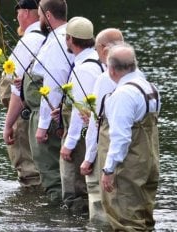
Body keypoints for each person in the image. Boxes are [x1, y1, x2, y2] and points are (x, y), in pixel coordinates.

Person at [99, 43, 160, 231]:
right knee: (145, 217)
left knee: (126, 221)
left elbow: (121, 138)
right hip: (148, 162)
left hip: (128, 167)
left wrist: (108, 170)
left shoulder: (123, 94)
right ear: (134, 65)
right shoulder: (150, 88)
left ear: (111, 69)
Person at [22, 0, 74, 204]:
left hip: (51, 116)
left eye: (41, 15)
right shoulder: (69, 37)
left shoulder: (56, 42)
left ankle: (57, 218)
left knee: (51, 173)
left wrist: (43, 126)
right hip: (62, 114)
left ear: (49, 16)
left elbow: (52, 86)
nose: (39, 19)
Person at [58, 16, 103, 213]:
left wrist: (69, 144)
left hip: (82, 138)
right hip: (93, 134)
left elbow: (79, 111)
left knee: (74, 191)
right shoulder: (98, 62)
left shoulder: (83, 69)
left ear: (70, 39)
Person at [80, 28, 124, 223]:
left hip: (107, 151)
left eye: (97, 50)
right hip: (129, 152)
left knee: (99, 205)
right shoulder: (138, 75)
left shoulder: (106, 78)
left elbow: (96, 124)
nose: (97, 56)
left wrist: (88, 158)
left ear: (105, 50)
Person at [2, 0, 44, 188]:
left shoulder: (29, 40)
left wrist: (8, 124)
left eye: (18, 12)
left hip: (25, 114)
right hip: (43, 114)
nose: (16, 17)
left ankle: (30, 211)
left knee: (28, 170)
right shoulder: (50, 37)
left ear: (26, 12)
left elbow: (16, 88)